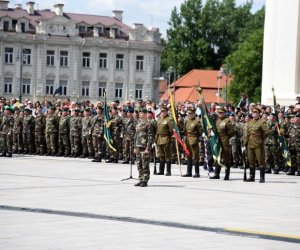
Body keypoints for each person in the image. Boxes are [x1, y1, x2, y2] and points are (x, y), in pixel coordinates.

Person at [209, 107, 235, 180]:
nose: (220, 114)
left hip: (225, 142)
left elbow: (232, 131)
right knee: (217, 157)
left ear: (224, 113)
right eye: (219, 113)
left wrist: (226, 137)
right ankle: (217, 174)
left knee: (226, 159)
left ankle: (227, 175)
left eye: (221, 113)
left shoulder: (227, 121)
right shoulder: (216, 120)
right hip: (217, 142)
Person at [245, 107, 269, 183]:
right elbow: (248, 133)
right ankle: (252, 177)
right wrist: (245, 143)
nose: (254, 114)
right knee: (251, 161)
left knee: (260, 161)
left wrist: (261, 139)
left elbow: (267, 132)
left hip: (258, 144)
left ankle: (262, 177)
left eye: (255, 113)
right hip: (250, 144)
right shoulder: (250, 122)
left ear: (258, 114)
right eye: (253, 113)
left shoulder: (262, 122)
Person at [134, 108, 154, 187]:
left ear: (146, 114)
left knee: (145, 164)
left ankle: (145, 180)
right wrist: (135, 147)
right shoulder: (138, 123)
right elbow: (136, 136)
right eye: (139, 113)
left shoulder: (148, 124)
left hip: (144, 147)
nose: (140, 115)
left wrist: (148, 148)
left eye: (142, 113)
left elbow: (150, 137)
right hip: (138, 146)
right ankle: (141, 178)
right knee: (139, 164)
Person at [182, 107, 203, 178]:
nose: (189, 115)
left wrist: (196, 138)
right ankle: (189, 172)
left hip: (194, 140)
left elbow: (200, 131)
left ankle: (197, 173)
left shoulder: (197, 121)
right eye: (188, 113)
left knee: (196, 156)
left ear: (194, 113)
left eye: (191, 113)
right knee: (188, 156)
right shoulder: (187, 121)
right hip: (187, 140)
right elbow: (184, 131)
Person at [155, 106, 173, 176]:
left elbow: (171, 130)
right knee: (161, 155)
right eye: (162, 111)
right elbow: (157, 130)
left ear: (167, 112)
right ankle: (161, 170)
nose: (163, 113)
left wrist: (169, 137)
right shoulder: (159, 119)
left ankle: (168, 171)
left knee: (167, 155)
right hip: (159, 138)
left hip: (166, 138)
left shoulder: (169, 119)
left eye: (164, 111)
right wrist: (156, 139)